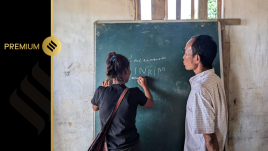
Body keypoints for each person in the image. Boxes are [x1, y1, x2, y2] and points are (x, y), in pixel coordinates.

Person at [91, 52, 154, 151]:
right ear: (125, 71)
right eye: (129, 69)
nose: (130, 71)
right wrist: (145, 86)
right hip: (131, 147)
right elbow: (150, 104)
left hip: (109, 148)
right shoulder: (134, 93)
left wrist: (105, 90)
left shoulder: (100, 91)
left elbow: (95, 108)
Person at [183, 35, 228, 151]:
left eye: (186, 53)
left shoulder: (200, 89)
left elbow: (209, 138)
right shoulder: (215, 79)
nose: (183, 57)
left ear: (197, 59)